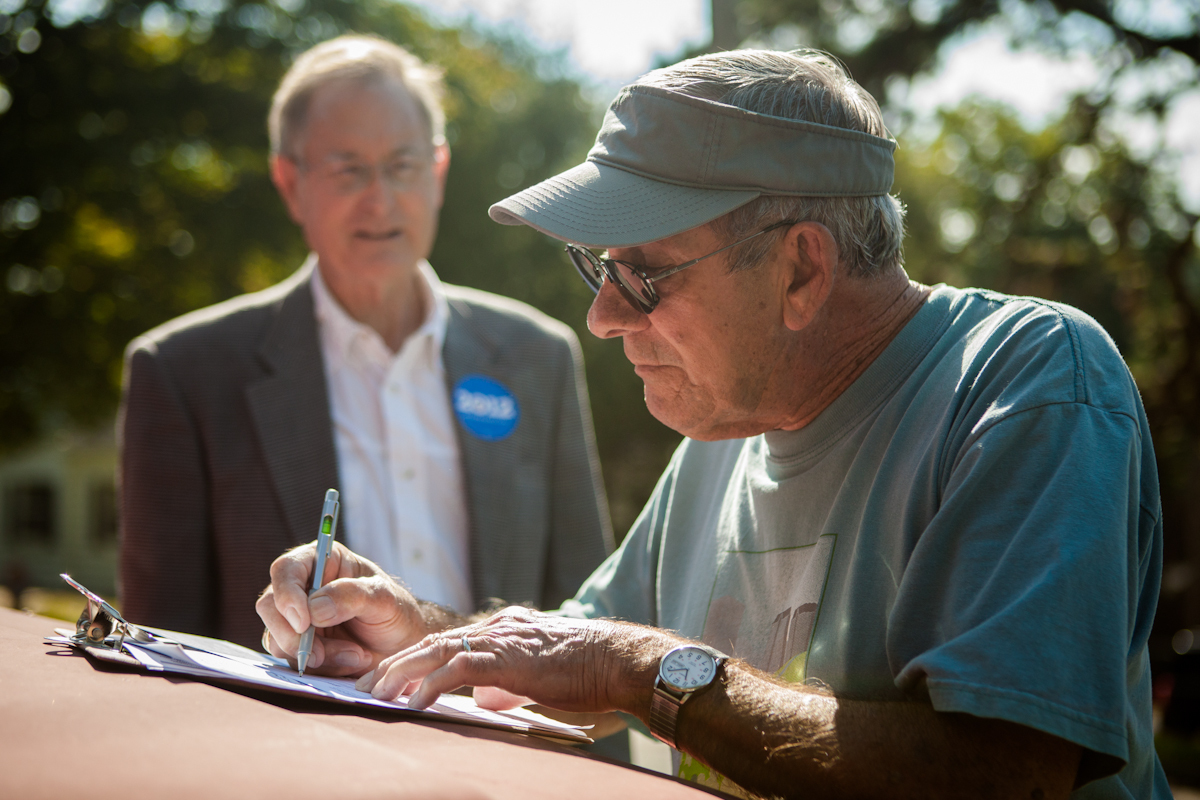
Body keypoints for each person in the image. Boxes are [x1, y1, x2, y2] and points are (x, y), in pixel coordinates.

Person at [258, 49, 1168, 799]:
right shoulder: (719, 439)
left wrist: (640, 668)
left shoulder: (1031, 379)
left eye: (644, 275)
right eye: (599, 269)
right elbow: (571, 658)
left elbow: (1001, 773)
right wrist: (418, 632)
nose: (603, 318)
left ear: (802, 270)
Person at [118, 35, 613, 652]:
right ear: (289, 182)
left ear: (438, 171)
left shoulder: (537, 354)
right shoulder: (186, 373)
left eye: (403, 165)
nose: (380, 199)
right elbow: (163, 648)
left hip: (496, 740)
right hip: (292, 746)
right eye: (348, 169)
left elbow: (594, 620)